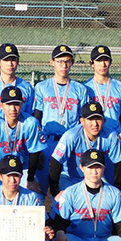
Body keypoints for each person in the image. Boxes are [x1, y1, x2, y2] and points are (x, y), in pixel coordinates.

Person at [33, 45, 91, 192]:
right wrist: (38, 149)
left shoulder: (80, 89)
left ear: (72, 63)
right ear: (51, 62)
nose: (64, 65)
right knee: (39, 188)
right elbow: (37, 118)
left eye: (67, 61)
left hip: (69, 144)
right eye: (59, 61)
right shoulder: (42, 87)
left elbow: (82, 121)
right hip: (47, 141)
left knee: (65, 190)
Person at [49, 102, 121, 198]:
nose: (95, 124)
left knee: (111, 200)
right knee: (62, 203)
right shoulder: (71, 136)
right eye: (90, 119)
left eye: (98, 119)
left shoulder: (111, 136)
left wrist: (117, 191)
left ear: (103, 119)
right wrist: (55, 192)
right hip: (71, 178)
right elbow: (56, 161)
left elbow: (119, 163)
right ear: (82, 120)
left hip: (97, 178)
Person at [0, 86, 46, 194]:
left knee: (35, 195)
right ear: (1, 105)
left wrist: (30, 180)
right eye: (8, 104)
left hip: (22, 167)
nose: (13, 109)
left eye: (16, 104)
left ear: (22, 104)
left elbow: (34, 152)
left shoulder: (31, 123)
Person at [0, 43, 35, 120]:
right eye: (6, 60)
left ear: (18, 61)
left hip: (19, 130)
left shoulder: (26, 87)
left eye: (13, 60)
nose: (10, 64)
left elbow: (29, 114)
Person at [84, 45, 121, 134]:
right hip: (91, 136)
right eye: (99, 60)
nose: (103, 64)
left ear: (110, 62)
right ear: (92, 63)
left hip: (112, 136)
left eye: (105, 60)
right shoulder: (85, 88)